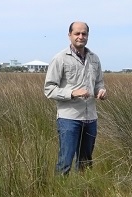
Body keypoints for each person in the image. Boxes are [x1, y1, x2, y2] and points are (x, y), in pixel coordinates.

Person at [44, 21, 107, 175]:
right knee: (65, 161)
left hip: (91, 117)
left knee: (86, 161)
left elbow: (98, 82)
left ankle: (84, 195)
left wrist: (101, 91)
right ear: (69, 35)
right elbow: (49, 89)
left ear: (88, 36)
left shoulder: (94, 58)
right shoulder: (60, 58)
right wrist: (72, 93)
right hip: (69, 118)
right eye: (77, 33)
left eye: (84, 33)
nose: (80, 36)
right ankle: (59, 194)